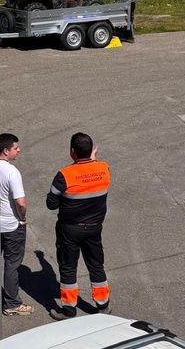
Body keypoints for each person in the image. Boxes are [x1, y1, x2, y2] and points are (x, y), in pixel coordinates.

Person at [46, 133, 111, 320]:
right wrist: (93, 160)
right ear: (92, 151)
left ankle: (68, 309)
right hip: (94, 227)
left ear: (72, 152)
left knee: (68, 267)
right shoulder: (104, 169)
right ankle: (102, 305)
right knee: (96, 265)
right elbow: (93, 172)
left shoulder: (64, 175)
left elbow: (51, 203)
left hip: (70, 229)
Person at [0, 133, 33, 316]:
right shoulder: (11, 172)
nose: (19, 151)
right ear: (6, 150)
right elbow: (21, 202)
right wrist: (22, 218)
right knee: (12, 264)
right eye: (15, 148)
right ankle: (11, 304)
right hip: (10, 225)